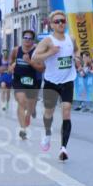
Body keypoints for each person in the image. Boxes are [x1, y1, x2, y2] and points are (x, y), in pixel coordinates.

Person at [30, 10, 76, 161]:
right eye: (57, 21)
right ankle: (48, 133)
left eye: (63, 21)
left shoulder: (71, 38)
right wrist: (50, 53)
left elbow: (76, 53)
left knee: (67, 110)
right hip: (51, 82)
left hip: (68, 80)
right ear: (51, 25)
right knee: (48, 112)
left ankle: (64, 148)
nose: (60, 24)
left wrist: (79, 59)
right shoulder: (48, 41)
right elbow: (35, 57)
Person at [10, 30, 41, 140]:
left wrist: (29, 62)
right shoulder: (16, 50)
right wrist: (12, 66)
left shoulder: (37, 51)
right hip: (19, 80)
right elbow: (12, 60)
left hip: (33, 80)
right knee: (21, 102)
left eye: (30, 38)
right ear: (22, 39)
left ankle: (29, 113)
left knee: (30, 107)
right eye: (25, 38)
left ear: (33, 41)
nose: (27, 40)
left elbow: (42, 68)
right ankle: (23, 129)